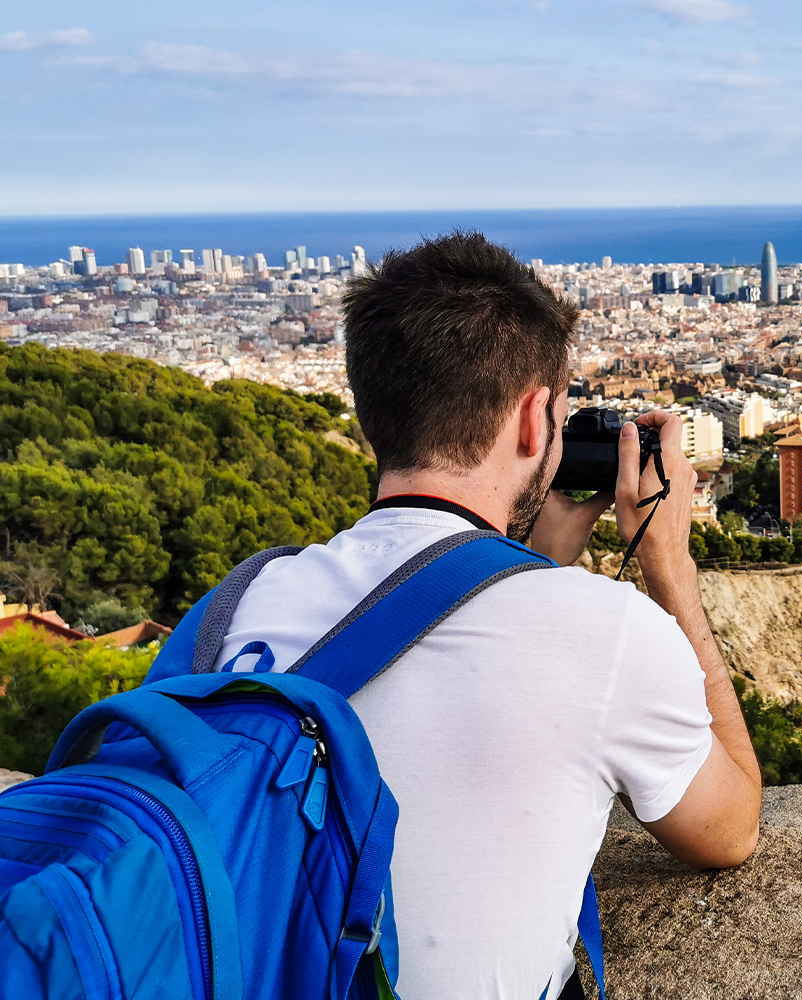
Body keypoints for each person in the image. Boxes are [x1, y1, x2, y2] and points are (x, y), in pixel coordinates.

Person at [210, 232, 762, 999]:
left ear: (375, 411)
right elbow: (730, 828)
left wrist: (535, 556)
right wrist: (671, 568)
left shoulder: (235, 604)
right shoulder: (607, 632)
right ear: (536, 421)